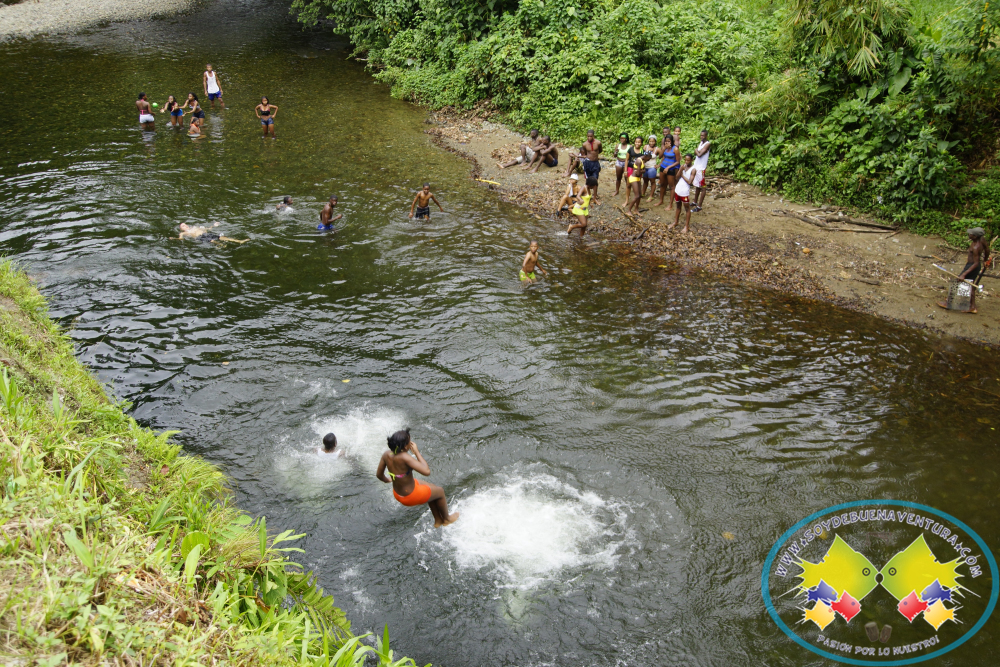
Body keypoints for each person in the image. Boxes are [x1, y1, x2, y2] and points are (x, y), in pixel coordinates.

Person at [376, 429, 459, 528]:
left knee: (431, 488)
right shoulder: (404, 457)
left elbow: (379, 475)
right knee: (440, 491)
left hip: (398, 493)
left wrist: (388, 479)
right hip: (410, 496)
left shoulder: (387, 454)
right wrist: (416, 452)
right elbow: (426, 471)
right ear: (406, 446)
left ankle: (438, 520)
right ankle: (447, 519)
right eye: (410, 442)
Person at [938, 227, 991, 313]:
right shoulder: (982, 239)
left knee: (958, 281)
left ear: (975, 236)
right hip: (972, 266)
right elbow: (987, 249)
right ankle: (972, 307)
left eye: (971, 234)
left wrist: (964, 274)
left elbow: (976, 263)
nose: (969, 235)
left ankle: (948, 302)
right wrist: (985, 260)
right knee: (971, 285)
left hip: (972, 266)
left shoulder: (976, 247)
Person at [564, 130, 602, 201]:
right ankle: (588, 194)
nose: (589, 138)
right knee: (588, 180)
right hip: (587, 163)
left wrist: (594, 155)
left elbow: (600, 150)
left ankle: (594, 197)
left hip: (595, 163)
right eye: (588, 136)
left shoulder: (598, 143)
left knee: (595, 180)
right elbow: (585, 153)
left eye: (591, 136)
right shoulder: (585, 144)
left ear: (593, 136)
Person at [668, 154, 697, 233]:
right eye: (685, 160)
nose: (686, 162)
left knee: (687, 208)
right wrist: (680, 170)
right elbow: (676, 177)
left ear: (692, 160)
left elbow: (689, 182)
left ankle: (686, 226)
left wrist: (682, 175)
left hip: (684, 191)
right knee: (678, 206)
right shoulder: (683, 167)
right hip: (678, 189)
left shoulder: (693, 169)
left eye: (688, 160)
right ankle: (676, 221)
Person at [654, 136, 680, 207]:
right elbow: (660, 157)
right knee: (662, 184)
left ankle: (670, 204)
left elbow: (678, 161)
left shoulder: (675, 149)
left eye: (668, 141)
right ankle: (661, 201)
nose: (667, 142)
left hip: (671, 169)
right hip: (663, 167)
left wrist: (669, 167)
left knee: (671, 186)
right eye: (666, 141)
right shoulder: (665, 148)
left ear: (672, 142)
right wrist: (664, 148)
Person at [691, 130, 712, 212]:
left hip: (701, 168)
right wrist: (697, 151)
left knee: (703, 187)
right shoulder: (701, 143)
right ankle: (695, 202)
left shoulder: (707, 144)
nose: (701, 137)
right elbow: (697, 152)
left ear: (706, 136)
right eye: (701, 135)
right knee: (697, 186)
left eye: (703, 135)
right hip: (697, 167)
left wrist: (696, 150)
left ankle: (699, 206)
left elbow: (699, 155)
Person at [176, 222, 249, 243]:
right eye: (183, 226)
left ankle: (239, 241)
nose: (185, 226)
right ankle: (220, 245)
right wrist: (175, 239)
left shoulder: (195, 227)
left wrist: (214, 225)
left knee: (222, 237)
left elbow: (207, 228)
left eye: (185, 224)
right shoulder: (183, 233)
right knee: (212, 240)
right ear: (181, 229)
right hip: (199, 237)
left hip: (205, 234)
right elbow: (181, 238)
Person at [624, 136, 644, 202]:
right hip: (630, 169)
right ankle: (626, 200)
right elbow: (626, 160)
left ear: (641, 143)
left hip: (638, 170)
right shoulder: (630, 149)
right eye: (636, 142)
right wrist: (625, 171)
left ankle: (636, 201)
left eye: (639, 142)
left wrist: (641, 171)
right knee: (628, 184)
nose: (637, 143)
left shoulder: (642, 151)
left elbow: (643, 162)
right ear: (634, 142)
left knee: (638, 185)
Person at [641, 136, 660, 200]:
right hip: (645, 167)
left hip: (652, 167)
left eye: (653, 141)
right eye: (650, 141)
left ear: (655, 142)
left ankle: (651, 196)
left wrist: (658, 165)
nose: (651, 143)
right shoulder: (645, 147)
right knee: (645, 181)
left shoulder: (657, 149)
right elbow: (642, 155)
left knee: (652, 181)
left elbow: (663, 157)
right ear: (648, 141)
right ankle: (643, 193)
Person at [613, 133, 630, 197]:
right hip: (619, 162)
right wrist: (616, 152)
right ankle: (617, 190)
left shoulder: (629, 146)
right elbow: (614, 155)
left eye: (623, 138)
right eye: (621, 138)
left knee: (626, 178)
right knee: (618, 178)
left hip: (626, 163)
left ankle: (627, 192)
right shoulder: (618, 145)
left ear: (626, 139)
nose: (622, 139)